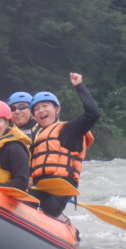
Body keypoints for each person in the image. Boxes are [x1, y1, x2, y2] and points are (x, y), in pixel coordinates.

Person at [29, 72, 99, 217]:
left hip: (58, 192)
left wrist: (79, 86)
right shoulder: (37, 140)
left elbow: (93, 114)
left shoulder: (69, 130)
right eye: (36, 109)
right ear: (34, 116)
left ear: (57, 109)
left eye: (45, 106)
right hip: (40, 189)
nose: (41, 110)